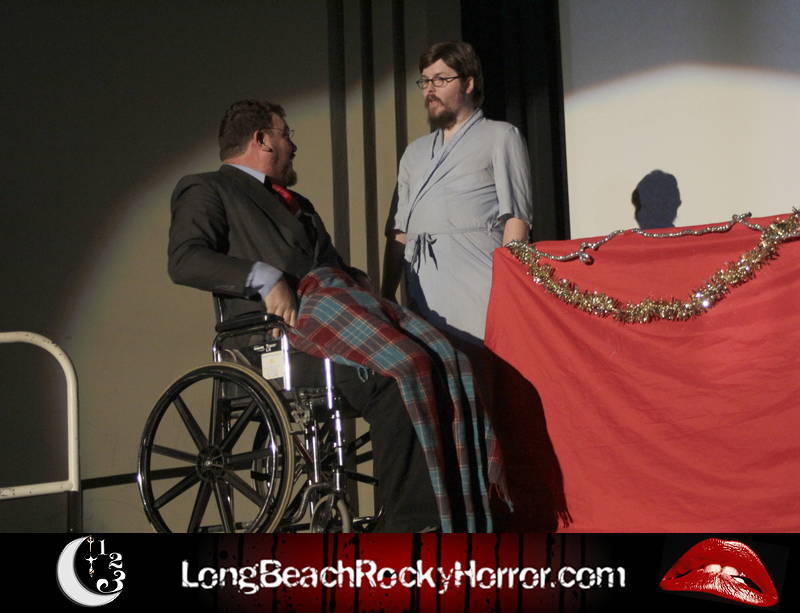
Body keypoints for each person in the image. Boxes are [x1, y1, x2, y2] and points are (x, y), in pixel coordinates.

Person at [168, 99, 499, 532]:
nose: (293, 146)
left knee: (449, 363)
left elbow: (333, 268)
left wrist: (361, 289)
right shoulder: (208, 188)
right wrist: (265, 278)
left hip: (334, 322)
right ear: (262, 140)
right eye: (286, 134)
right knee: (399, 372)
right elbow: (186, 260)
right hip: (277, 339)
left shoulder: (298, 204)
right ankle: (413, 527)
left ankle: (462, 515)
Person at [381, 41, 533, 405]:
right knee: (434, 395)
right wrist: (385, 297)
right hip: (422, 289)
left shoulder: (500, 136)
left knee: (482, 390)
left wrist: (509, 293)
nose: (430, 89)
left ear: (468, 83)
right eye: (425, 81)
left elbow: (516, 218)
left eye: (440, 79)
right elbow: (399, 232)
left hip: (478, 285)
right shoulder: (414, 152)